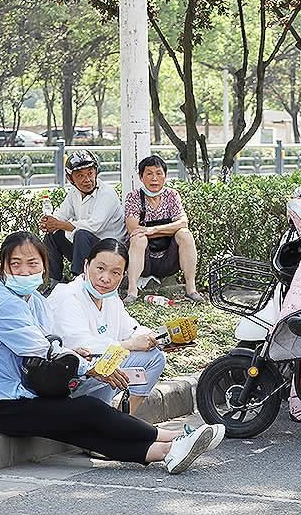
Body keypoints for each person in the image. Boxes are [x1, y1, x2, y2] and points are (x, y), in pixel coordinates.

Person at [0, 231, 223, 473]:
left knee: (81, 428)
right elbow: (42, 349)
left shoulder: (35, 300)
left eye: (32, 263)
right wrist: (93, 368)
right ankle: (176, 439)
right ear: (1, 267)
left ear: (44, 266)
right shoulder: (2, 304)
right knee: (87, 411)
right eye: (15, 264)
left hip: (27, 392)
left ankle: (166, 452)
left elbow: (54, 342)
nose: (24, 271)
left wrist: (77, 353)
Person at [48, 239, 167, 414]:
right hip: (71, 378)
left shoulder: (110, 298)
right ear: (86, 265)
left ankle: (123, 420)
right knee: (105, 363)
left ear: (123, 275)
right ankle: (110, 423)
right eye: (100, 268)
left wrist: (155, 337)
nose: (106, 278)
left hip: (101, 373)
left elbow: (131, 329)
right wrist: (131, 345)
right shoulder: (67, 295)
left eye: (115, 272)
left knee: (155, 357)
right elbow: (82, 347)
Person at [122, 155, 203, 304]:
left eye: (159, 173)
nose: (154, 178)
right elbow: (133, 228)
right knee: (138, 238)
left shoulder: (172, 195)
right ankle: (132, 292)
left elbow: (183, 222)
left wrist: (153, 230)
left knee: (185, 234)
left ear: (165, 176)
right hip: (145, 260)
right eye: (149, 173)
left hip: (168, 259)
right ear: (141, 177)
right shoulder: (133, 197)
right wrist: (168, 229)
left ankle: (191, 289)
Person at [41, 150, 126, 286]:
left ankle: (80, 283)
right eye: (80, 176)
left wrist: (60, 224)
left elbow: (94, 226)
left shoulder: (107, 193)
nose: (87, 180)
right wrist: (49, 223)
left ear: (96, 172)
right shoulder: (74, 193)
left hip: (111, 250)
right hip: (87, 248)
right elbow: (60, 215)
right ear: (70, 179)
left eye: (90, 174)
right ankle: (54, 281)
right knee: (53, 235)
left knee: (81, 234)